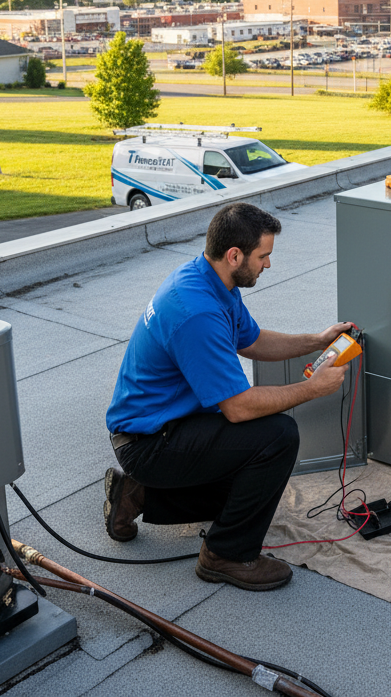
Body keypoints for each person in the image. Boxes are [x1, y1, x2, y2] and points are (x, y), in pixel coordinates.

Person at [104, 202, 353, 590]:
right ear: (234, 254)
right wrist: (313, 388)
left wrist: (317, 340)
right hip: (148, 443)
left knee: (246, 493)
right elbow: (238, 408)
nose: (268, 265)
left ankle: (138, 495)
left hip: (167, 424)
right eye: (263, 256)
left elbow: (251, 340)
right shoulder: (197, 313)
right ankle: (226, 555)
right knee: (277, 437)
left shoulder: (210, 281)